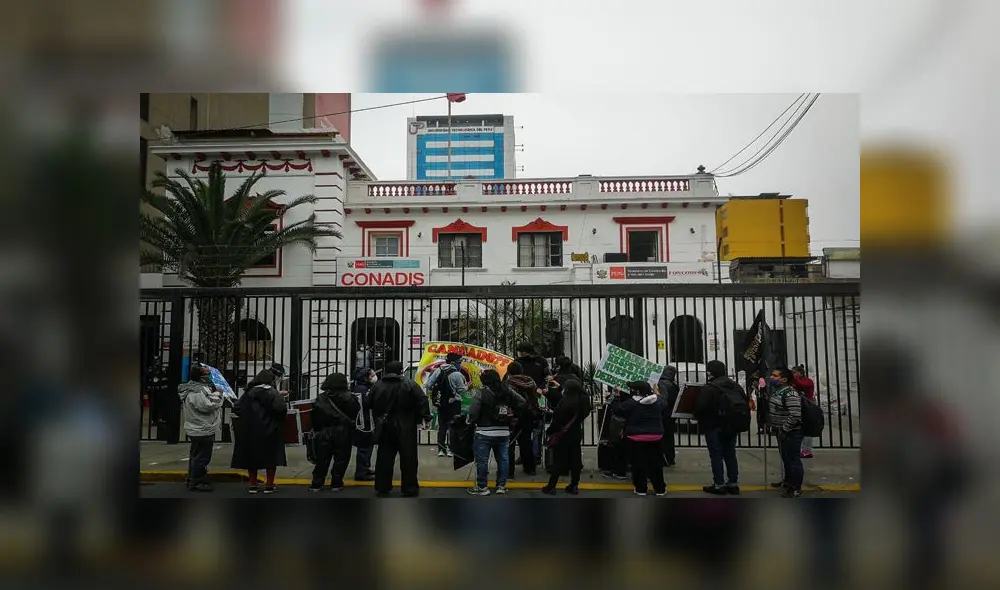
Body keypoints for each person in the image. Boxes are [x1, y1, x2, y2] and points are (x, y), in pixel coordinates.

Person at [369, 360, 432, 497]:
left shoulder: (378, 385)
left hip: (385, 427)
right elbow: (422, 400)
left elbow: (368, 403)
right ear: (400, 371)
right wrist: (426, 418)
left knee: (384, 457)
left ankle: (382, 486)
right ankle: (409, 488)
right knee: (408, 458)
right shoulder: (409, 384)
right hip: (406, 426)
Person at [466, 369, 527, 496]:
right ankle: (501, 486)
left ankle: (482, 487)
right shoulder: (507, 391)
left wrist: (471, 420)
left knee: (482, 461)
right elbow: (522, 401)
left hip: (484, 432)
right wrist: (512, 413)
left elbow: (473, 411)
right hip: (504, 432)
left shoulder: (480, 393)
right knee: (503, 460)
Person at [231, 369, 288, 494]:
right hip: (270, 430)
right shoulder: (273, 393)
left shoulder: (248, 393)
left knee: (251, 458)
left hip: (250, 430)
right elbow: (281, 409)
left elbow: (237, 408)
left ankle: (253, 485)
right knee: (271, 458)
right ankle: (269, 484)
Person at [694, 360, 747, 495]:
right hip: (732, 426)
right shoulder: (736, 386)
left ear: (711, 372)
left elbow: (701, 407)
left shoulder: (710, 388)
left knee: (716, 455)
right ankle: (733, 484)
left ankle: (719, 485)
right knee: (730, 454)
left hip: (714, 426)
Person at [612, 381, 669, 496]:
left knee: (638, 464)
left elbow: (618, 411)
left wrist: (617, 398)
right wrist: (657, 393)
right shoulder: (658, 401)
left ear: (637, 391)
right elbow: (664, 402)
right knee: (656, 463)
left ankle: (640, 488)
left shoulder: (631, 403)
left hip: (636, 438)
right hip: (655, 437)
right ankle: (660, 489)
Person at [309, 372, 360, 492]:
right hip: (343, 431)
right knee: (341, 458)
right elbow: (355, 413)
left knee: (322, 458)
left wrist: (317, 429)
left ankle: (317, 483)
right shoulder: (350, 397)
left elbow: (315, 416)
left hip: (324, 431)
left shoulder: (321, 397)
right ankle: (336, 483)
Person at [541, 379, 593, 495]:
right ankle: (574, 485)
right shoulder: (582, 402)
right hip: (576, 433)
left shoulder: (564, 402)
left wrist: (549, 432)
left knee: (558, 461)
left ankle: (552, 486)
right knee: (575, 460)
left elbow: (557, 421)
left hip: (562, 435)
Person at [178, 363, 224, 492]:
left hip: (198, 427)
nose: (209, 376)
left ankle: (193, 477)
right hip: (202, 427)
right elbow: (207, 406)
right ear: (200, 376)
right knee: (202, 456)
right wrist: (219, 394)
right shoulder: (196, 391)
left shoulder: (197, 388)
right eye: (206, 374)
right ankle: (197, 481)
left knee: (196, 454)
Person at [767, 367, 804, 498]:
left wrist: (784, 429)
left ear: (783, 379)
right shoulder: (778, 391)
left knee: (793, 460)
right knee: (786, 458)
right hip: (781, 431)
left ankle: (796, 487)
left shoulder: (790, 393)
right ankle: (788, 482)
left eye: (775, 376)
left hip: (791, 432)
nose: (772, 378)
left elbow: (795, 415)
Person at [424, 352, 467, 457]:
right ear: (453, 362)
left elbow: (428, 385)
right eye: (459, 362)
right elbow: (461, 391)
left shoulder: (438, 370)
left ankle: (441, 450)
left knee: (442, 427)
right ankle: (451, 450)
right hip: (454, 404)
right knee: (453, 427)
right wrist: (467, 386)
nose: (460, 364)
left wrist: (438, 390)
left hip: (441, 403)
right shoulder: (457, 374)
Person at [503, 361, 542, 478]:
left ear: (509, 371)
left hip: (513, 416)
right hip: (529, 414)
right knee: (526, 441)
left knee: (510, 444)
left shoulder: (508, 383)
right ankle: (530, 468)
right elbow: (537, 396)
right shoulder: (530, 381)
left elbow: (506, 400)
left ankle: (509, 472)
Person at [350, 367, 377, 481]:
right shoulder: (363, 390)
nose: (374, 376)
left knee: (367, 447)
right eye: (372, 375)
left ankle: (365, 468)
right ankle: (361, 472)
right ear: (366, 378)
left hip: (363, 422)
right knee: (364, 448)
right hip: (364, 424)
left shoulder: (360, 388)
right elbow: (368, 404)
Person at [656, 365, 680, 467]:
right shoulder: (674, 385)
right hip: (671, 415)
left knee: (661, 437)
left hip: (662, 415)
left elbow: (661, 401)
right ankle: (670, 458)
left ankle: (663, 459)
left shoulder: (660, 384)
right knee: (669, 437)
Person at [791, 365, 817, 459]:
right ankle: (801, 449)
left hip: (809, 406)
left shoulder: (808, 381)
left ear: (801, 373)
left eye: (795, 372)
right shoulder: (794, 382)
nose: (793, 374)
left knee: (808, 429)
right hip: (799, 406)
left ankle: (807, 450)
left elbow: (803, 385)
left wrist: (793, 378)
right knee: (799, 428)